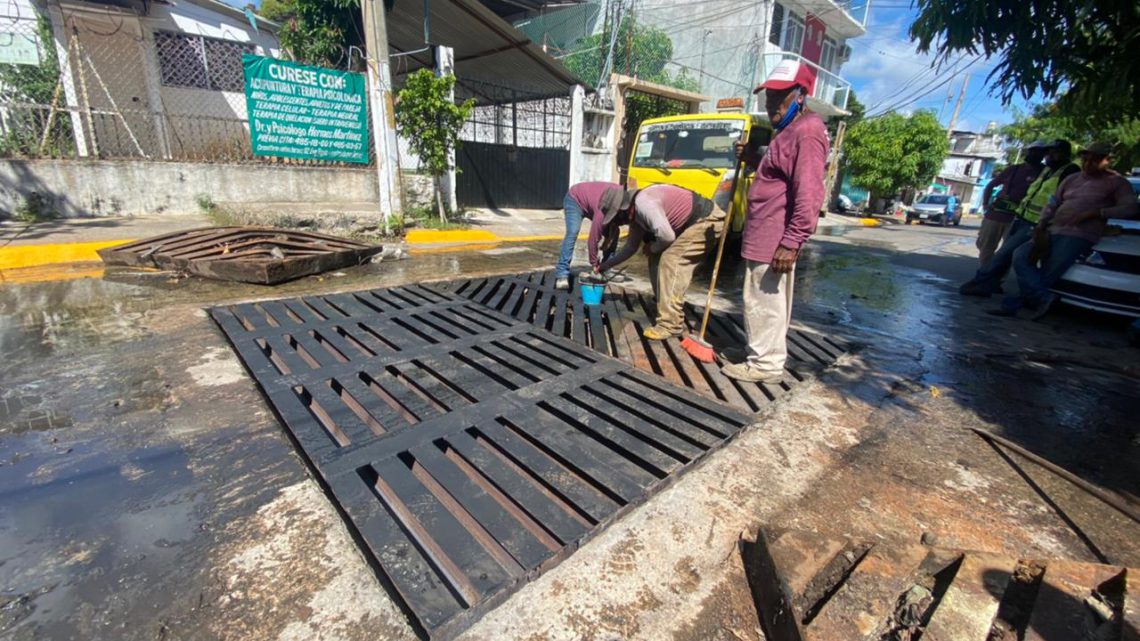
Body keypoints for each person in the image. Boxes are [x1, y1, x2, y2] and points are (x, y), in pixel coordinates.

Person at [720, 60, 829, 383]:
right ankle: (761, 350)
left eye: (779, 97)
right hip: (765, 230)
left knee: (763, 300)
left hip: (774, 234)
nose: (771, 104)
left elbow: (809, 191)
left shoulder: (807, 132)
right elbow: (777, 174)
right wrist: (751, 158)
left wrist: (792, 240)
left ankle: (765, 365)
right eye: (768, 96)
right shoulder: (789, 131)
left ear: (800, 96)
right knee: (763, 298)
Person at [993, 142, 1139, 319]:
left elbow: (1130, 208)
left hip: (1079, 234)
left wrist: (1097, 213)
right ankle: (1042, 298)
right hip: (1054, 229)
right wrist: (1042, 222)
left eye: (1095, 160)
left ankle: (1013, 305)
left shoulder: (1116, 182)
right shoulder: (1073, 179)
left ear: (1107, 160)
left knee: (1049, 271)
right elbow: (1053, 202)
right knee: (1020, 256)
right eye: (1085, 159)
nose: (1088, 163)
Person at [597, 183, 726, 340]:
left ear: (622, 210)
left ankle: (670, 324)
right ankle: (663, 303)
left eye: (617, 219)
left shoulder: (644, 204)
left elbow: (667, 237)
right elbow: (630, 248)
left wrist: (653, 248)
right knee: (656, 256)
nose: (620, 224)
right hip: (691, 223)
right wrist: (606, 265)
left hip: (707, 220)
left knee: (671, 260)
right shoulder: (635, 215)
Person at [959, 140, 1079, 297]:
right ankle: (992, 284)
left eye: (1053, 152)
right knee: (1003, 253)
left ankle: (983, 281)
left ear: (1064, 154)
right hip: (1020, 217)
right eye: (1048, 152)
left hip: (1036, 222)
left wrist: (1045, 222)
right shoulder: (1046, 170)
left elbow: (1061, 199)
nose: (1048, 156)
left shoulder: (1069, 171)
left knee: (1009, 254)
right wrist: (987, 205)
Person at [976, 140, 1048, 266]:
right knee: (985, 246)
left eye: (1039, 152)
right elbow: (990, 186)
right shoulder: (1013, 169)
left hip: (1018, 219)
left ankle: (997, 280)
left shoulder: (1045, 173)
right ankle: (984, 274)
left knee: (1008, 251)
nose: (1035, 155)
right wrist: (986, 206)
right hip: (995, 215)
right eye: (1033, 151)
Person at [553, 182, 627, 290]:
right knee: (573, 232)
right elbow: (593, 240)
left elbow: (615, 225)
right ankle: (562, 274)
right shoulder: (602, 211)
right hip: (575, 199)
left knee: (615, 233)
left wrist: (610, 236)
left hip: (591, 200)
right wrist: (594, 263)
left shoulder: (622, 199)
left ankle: (606, 268)